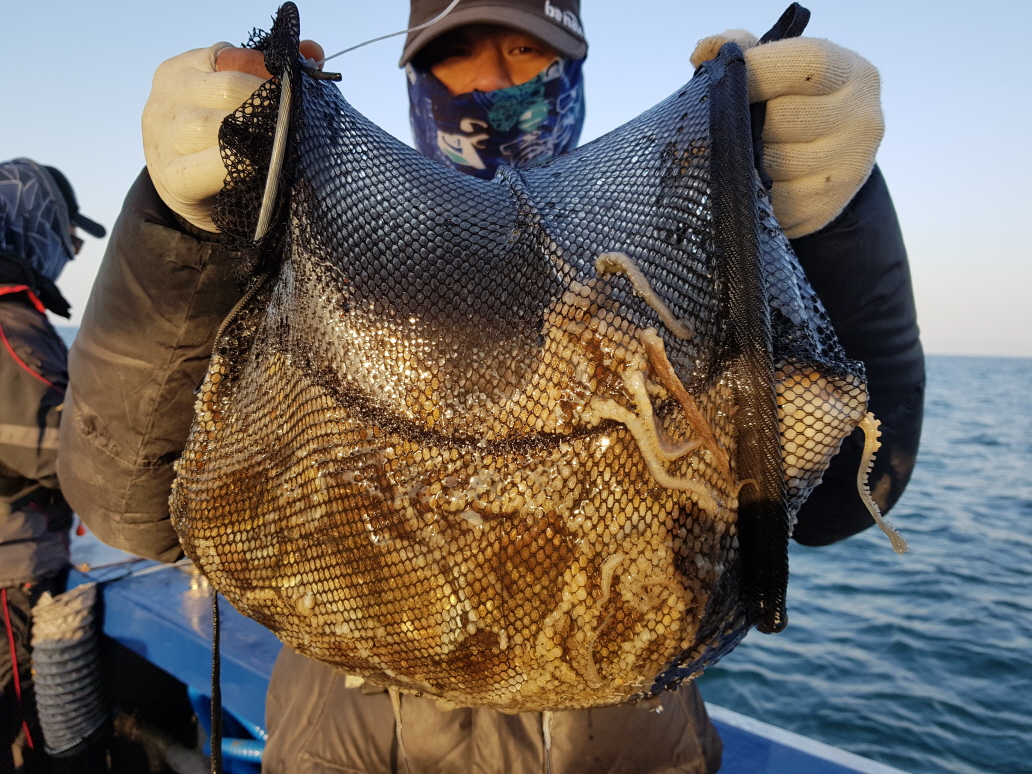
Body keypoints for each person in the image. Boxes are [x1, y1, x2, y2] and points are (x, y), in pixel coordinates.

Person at [58, 1, 924, 772]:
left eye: (526, 51)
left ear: (572, 70)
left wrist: (830, 232)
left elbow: (840, 501)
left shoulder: (672, 266)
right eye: (458, 54)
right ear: (415, 78)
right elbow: (132, 509)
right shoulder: (320, 264)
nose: (491, 82)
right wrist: (179, 236)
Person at [1, 158, 105, 773]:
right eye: (64, 236)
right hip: (11, 574)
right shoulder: (8, 325)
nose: (67, 253)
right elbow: (55, 447)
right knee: (21, 734)